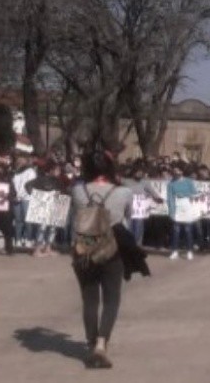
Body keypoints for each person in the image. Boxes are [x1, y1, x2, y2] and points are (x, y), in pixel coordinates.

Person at [71, 149, 150, 369]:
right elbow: (128, 217)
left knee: (89, 299)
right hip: (111, 247)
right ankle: (101, 343)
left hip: (84, 247)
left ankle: (90, 342)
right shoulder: (123, 192)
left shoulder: (77, 190)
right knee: (111, 298)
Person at [167, 163, 198, 260]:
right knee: (176, 230)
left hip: (187, 205)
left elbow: (195, 193)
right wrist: (171, 211)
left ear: (181, 171)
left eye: (178, 170)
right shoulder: (170, 184)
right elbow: (170, 198)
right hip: (177, 206)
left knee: (188, 230)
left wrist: (185, 195)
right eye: (175, 171)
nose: (176, 172)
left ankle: (189, 251)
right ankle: (174, 251)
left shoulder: (189, 181)